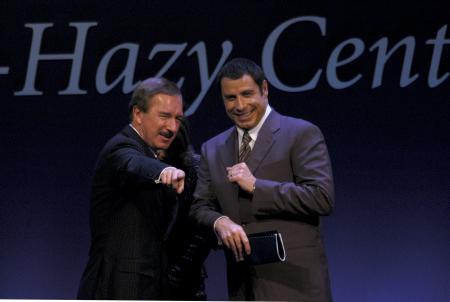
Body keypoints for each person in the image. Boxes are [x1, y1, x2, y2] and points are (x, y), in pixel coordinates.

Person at [190, 58, 334, 301]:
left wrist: (256, 186)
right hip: (243, 285)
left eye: (247, 94)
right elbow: (200, 206)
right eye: (231, 98)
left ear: (264, 89)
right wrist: (219, 221)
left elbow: (321, 197)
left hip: (294, 283)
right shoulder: (212, 148)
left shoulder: (300, 133)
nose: (240, 105)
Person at [77, 77, 208, 300]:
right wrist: (162, 171)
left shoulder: (155, 152)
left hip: (150, 286)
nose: (173, 127)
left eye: (178, 118)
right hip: (118, 288)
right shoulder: (120, 147)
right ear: (138, 114)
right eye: (165, 116)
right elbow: (131, 164)